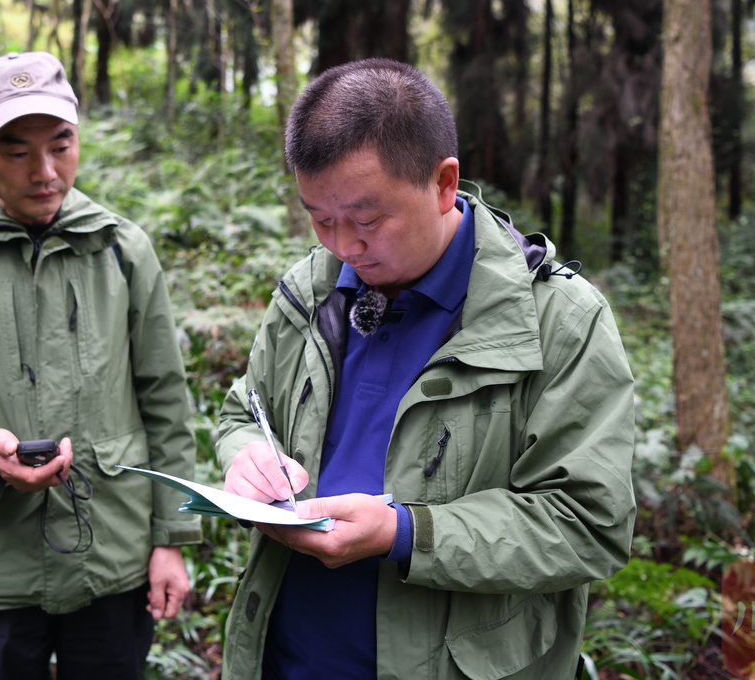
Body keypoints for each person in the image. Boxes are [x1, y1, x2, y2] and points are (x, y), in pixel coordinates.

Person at [215, 58, 636, 679]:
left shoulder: (557, 322)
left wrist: (407, 533)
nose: (344, 247)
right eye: (320, 217)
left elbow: (589, 522)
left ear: (443, 184)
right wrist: (244, 454)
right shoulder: (312, 289)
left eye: (366, 220)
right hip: (287, 659)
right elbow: (240, 411)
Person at [0, 51, 201, 679]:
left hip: (113, 560)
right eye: (16, 150)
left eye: (61, 144)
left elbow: (165, 400)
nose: (45, 171)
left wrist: (171, 540)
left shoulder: (121, 250)